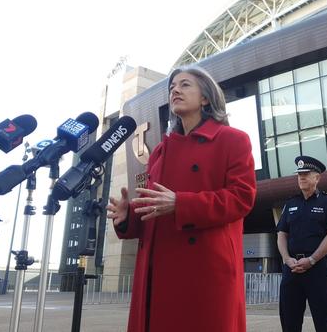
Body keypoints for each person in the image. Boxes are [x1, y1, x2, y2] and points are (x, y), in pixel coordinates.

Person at [106, 66, 256, 332]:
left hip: (204, 270)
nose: (175, 89)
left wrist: (182, 204)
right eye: (172, 86)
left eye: (185, 85)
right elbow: (154, 211)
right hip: (157, 272)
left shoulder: (233, 140)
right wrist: (129, 217)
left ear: (206, 98)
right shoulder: (160, 152)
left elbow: (241, 198)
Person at [276, 155, 327, 332]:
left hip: (317, 270)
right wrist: (286, 259)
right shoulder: (290, 203)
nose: (302, 177)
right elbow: (281, 234)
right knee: (289, 323)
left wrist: (312, 260)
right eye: (299, 174)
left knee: (324, 323)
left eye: (306, 173)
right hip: (291, 270)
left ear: (317, 177)